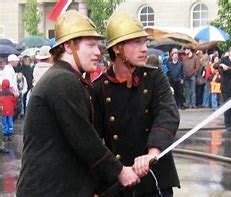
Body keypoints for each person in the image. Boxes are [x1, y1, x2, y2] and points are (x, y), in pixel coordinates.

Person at [16, 10, 140, 196]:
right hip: (49, 190)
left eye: (98, 46)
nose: (98, 52)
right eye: (90, 45)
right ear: (68, 46)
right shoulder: (62, 81)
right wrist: (120, 171)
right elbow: (84, 138)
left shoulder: (67, 78)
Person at [91, 12, 180, 196]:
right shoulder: (98, 87)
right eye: (137, 42)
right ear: (118, 48)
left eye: (145, 42)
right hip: (119, 180)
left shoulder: (155, 77)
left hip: (155, 179)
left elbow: (167, 114)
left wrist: (152, 154)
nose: (145, 48)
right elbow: (91, 138)